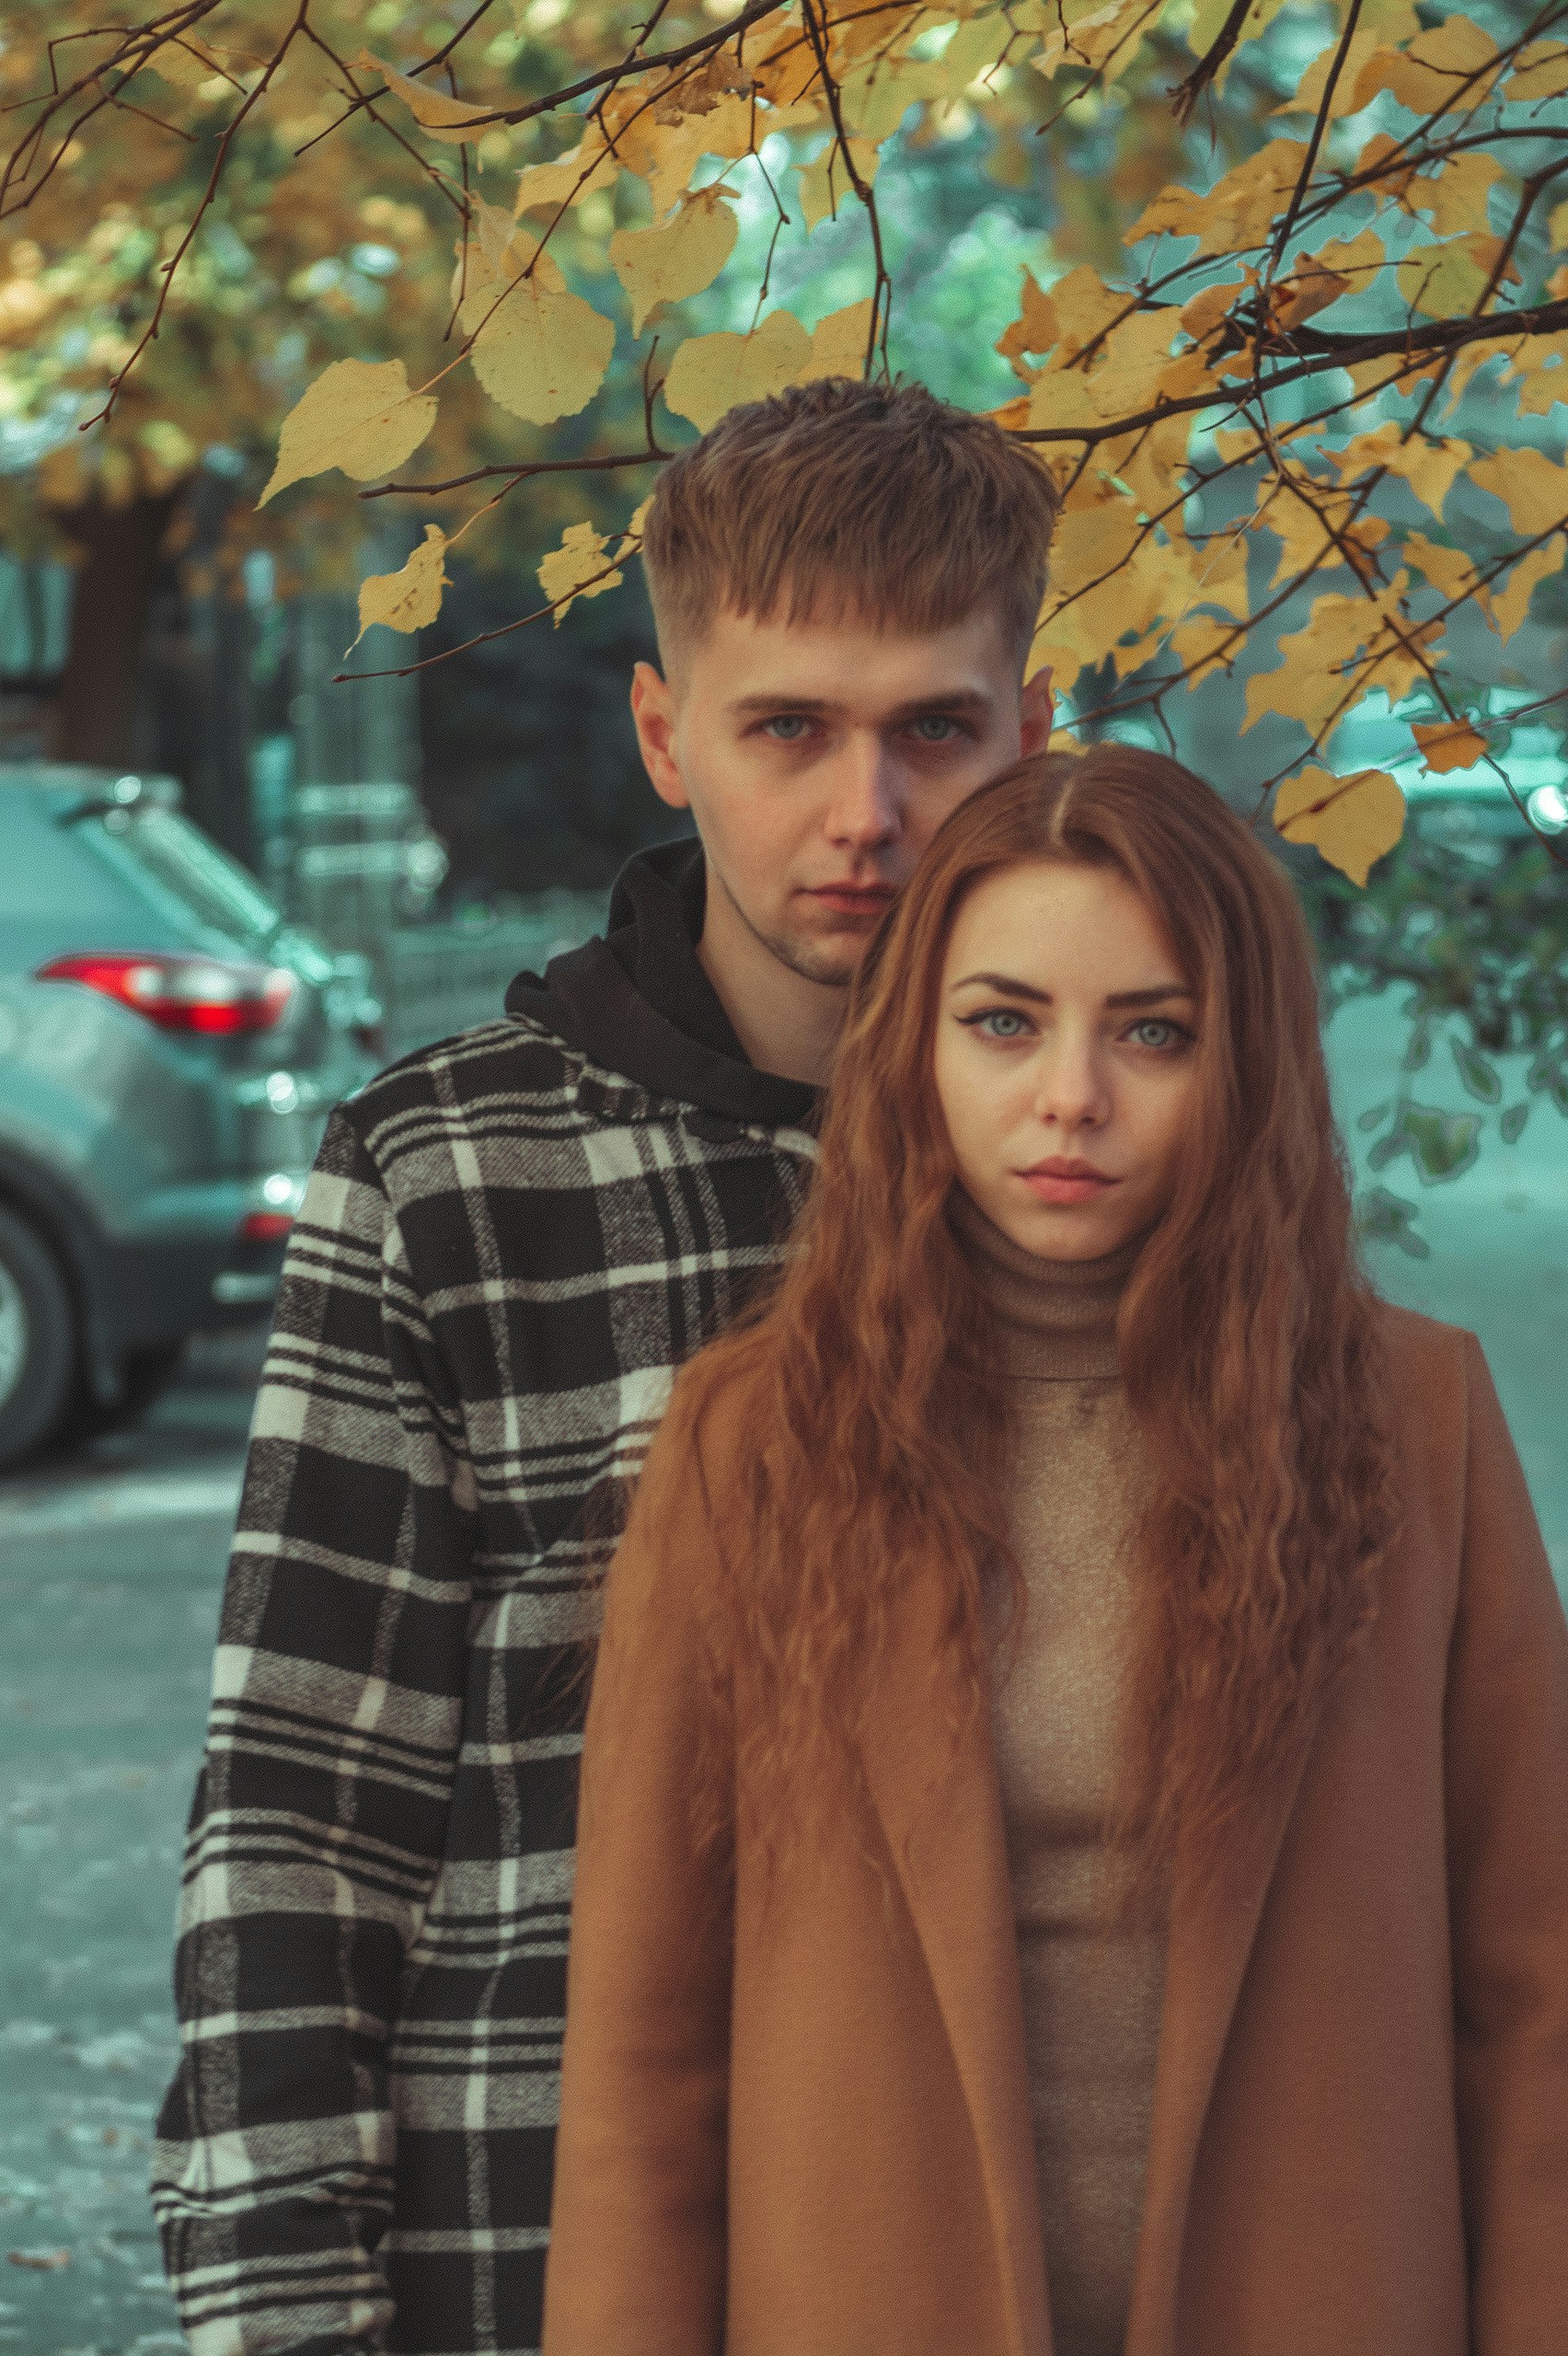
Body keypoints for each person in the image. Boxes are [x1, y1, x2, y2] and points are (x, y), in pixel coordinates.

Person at [543, 745, 1568, 2356]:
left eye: (1153, 1031)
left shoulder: (1414, 1425)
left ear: (1245, 1061)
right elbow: (646, 2076)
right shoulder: (755, 1445)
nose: (1071, 1094)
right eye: (1005, 1022)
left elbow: (1547, 2030)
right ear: (913, 1047)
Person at [150, 377, 1057, 2356]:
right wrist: (285, 2314)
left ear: (1031, 731)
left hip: (1015, 2253)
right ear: (665, 732)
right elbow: (302, 1822)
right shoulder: (447, 1175)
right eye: (787, 728)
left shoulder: (1118, 1176)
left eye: (932, 728)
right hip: (534, 2249)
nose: (866, 812)